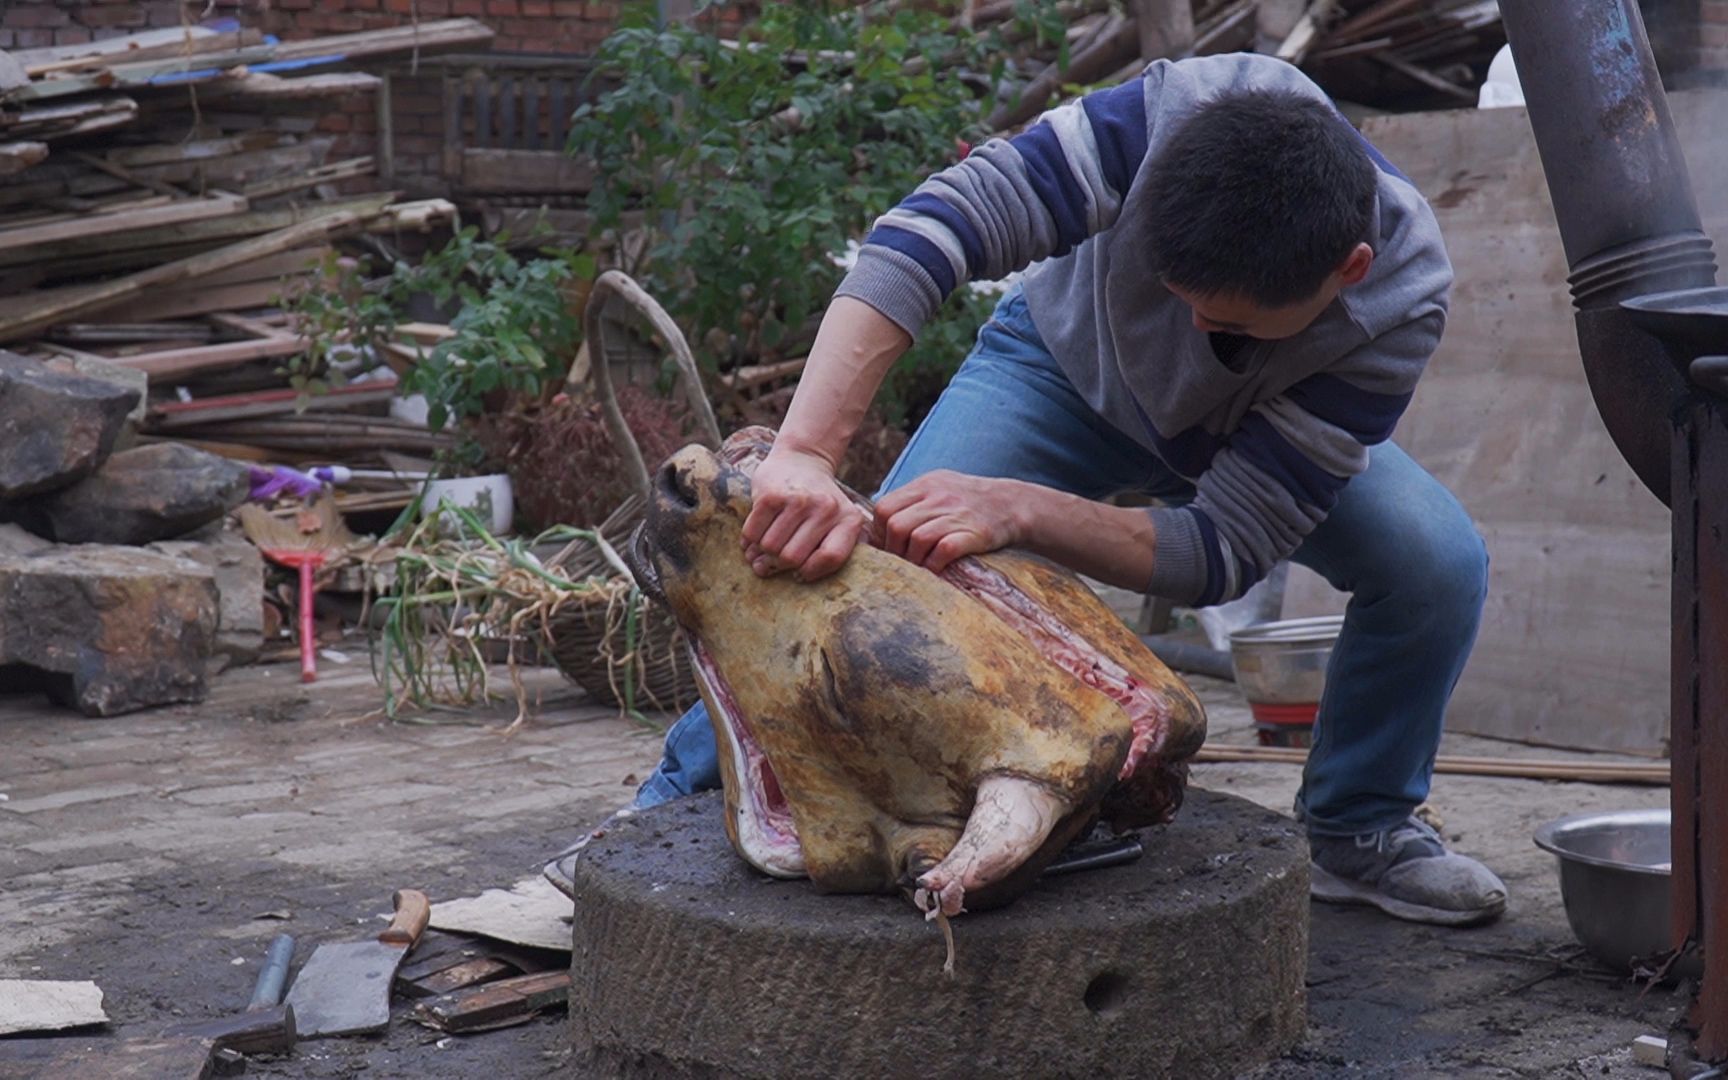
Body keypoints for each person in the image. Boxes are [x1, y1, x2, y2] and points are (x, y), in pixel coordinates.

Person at [632, 52, 1506, 927]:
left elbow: (1225, 547)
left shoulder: (1397, 302)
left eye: (1228, 323)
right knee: (845, 568)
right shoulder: (1167, 120)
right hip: (1056, 370)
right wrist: (806, 454)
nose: (1195, 329)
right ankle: (660, 818)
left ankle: (1359, 828)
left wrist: (1018, 510)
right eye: (1177, 297)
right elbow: (930, 229)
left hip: (1247, 438)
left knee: (1437, 566)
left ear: (1347, 271)